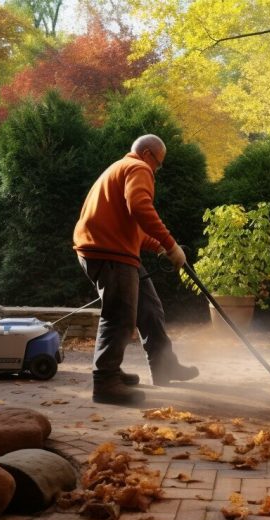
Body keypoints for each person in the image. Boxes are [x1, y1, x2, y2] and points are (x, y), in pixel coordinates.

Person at [73, 134, 199, 404]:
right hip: (109, 253)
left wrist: (162, 248)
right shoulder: (138, 167)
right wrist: (171, 243)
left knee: (149, 309)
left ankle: (163, 365)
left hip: (113, 249)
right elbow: (140, 207)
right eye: (159, 163)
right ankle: (106, 382)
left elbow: (134, 228)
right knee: (119, 315)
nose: (157, 170)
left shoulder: (120, 169)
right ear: (147, 154)